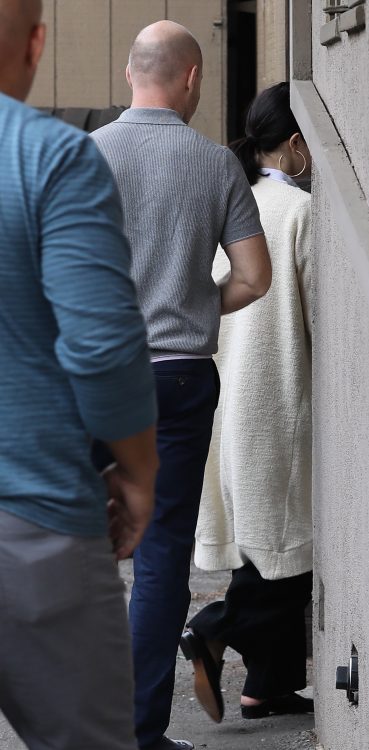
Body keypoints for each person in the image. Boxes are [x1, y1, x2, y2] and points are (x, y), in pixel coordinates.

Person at [91, 20, 271, 750]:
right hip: (176, 378)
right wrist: (195, 304)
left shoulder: (83, 155)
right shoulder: (216, 164)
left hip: (90, 374)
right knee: (162, 553)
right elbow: (253, 277)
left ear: (131, 73)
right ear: (192, 77)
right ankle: (139, 733)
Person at [0, 1, 160, 749]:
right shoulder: (48, 156)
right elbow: (100, 346)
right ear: (37, 43)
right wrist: (138, 470)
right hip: (32, 526)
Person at [181, 82, 314, 723]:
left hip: (227, 391)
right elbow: (322, 316)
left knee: (265, 542)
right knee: (284, 546)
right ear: (296, 143)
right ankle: (214, 626)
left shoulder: (232, 201)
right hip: (278, 394)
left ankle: (267, 685)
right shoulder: (299, 212)